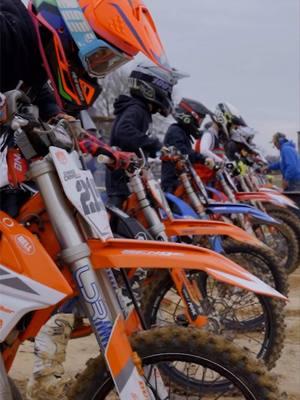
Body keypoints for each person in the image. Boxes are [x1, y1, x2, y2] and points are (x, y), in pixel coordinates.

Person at [0, 1, 170, 398]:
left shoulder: (32, 46)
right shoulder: (10, 31)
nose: (100, 68)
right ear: (73, 34)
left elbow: (40, 84)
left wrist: (56, 116)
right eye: (101, 56)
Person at [106, 62, 176, 207]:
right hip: (121, 177)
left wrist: (151, 150)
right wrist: (154, 143)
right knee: (118, 213)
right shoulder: (136, 109)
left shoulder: (142, 111)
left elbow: (136, 143)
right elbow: (124, 132)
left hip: (132, 175)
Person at [161, 98, 214, 192]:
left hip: (181, 181)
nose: (200, 124)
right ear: (191, 116)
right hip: (172, 184)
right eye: (200, 119)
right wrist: (203, 158)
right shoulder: (175, 131)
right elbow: (183, 151)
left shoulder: (182, 132)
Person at [194, 102, 247, 183]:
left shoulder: (217, 138)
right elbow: (203, 150)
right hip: (203, 180)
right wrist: (223, 163)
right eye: (233, 126)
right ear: (224, 119)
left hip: (212, 179)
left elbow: (221, 157)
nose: (233, 129)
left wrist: (233, 167)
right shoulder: (209, 134)